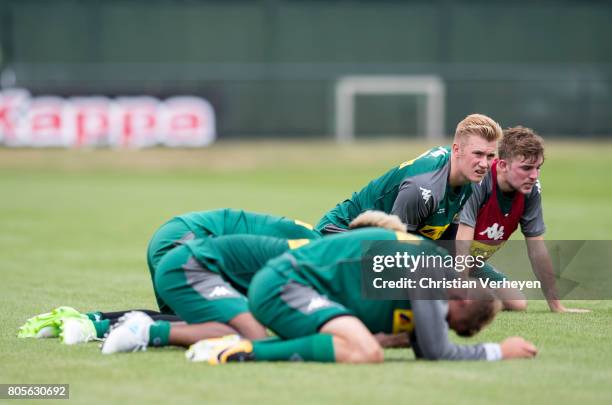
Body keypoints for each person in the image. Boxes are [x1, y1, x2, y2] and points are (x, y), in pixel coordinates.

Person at [186, 227, 537, 364]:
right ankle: (238, 351)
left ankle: (220, 346)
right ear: (459, 299)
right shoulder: (432, 268)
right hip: (284, 284)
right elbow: (434, 350)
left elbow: (422, 342)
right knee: (367, 351)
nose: (437, 320)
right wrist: (498, 351)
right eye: (449, 320)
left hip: (286, 285)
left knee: (360, 349)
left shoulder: (433, 268)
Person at [98, 212, 410, 353]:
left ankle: (99, 324)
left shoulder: (329, 263)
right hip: (191, 259)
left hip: (191, 257)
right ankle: (146, 332)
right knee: (249, 335)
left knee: (223, 326)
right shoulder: (314, 252)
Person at [456, 126, 588, 313]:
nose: (534, 176)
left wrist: (556, 305)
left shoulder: (531, 190)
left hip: (472, 262)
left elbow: (537, 250)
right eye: (526, 168)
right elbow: (461, 243)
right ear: (502, 165)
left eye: (538, 168)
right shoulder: (479, 181)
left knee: (517, 303)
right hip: (444, 256)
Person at [315, 114, 502, 240]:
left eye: (490, 156)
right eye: (477, 154)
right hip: (341, 235)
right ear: (456, 150)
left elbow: (448, 238)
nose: (485, 164)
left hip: (387, 242)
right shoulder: (423, 188)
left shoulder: (471, 175)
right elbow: (396, 250)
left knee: (505, 295)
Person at [147, 208, 321, 314]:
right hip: (187, 238)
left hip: (176, 234)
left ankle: (125, 323)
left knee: (182, 319)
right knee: (225, 326)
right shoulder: (315, 250)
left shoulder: (313, 241)